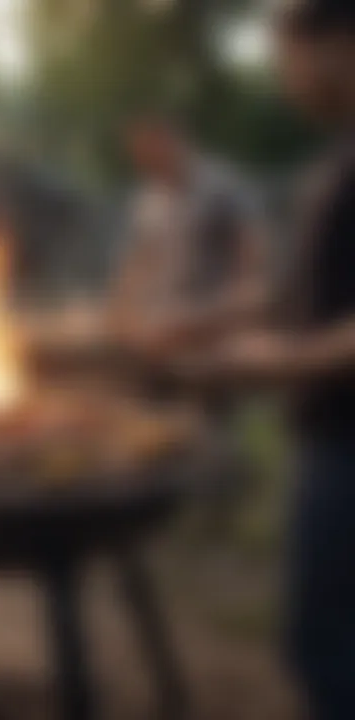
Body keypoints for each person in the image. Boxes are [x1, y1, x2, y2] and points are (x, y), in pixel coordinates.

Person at [172, 2, 355, 717]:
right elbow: (297, 291)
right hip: (328, 444)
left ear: (334, 43)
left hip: (351, 451)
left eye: (285, 56)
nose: (284, 80)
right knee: (317, 648)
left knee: (330, 657)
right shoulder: (340, 161)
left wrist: (276, 363)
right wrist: (203, 325)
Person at [111, 114, 267, 359]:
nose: (140, 160)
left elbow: (253, 265)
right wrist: (120, 307)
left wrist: (218, 319)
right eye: (136, 152)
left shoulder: (222, 187)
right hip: (161, 333)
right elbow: (139, 260)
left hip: (210, 331)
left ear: (169, 139)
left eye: (146, 149)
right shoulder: (148, 199)